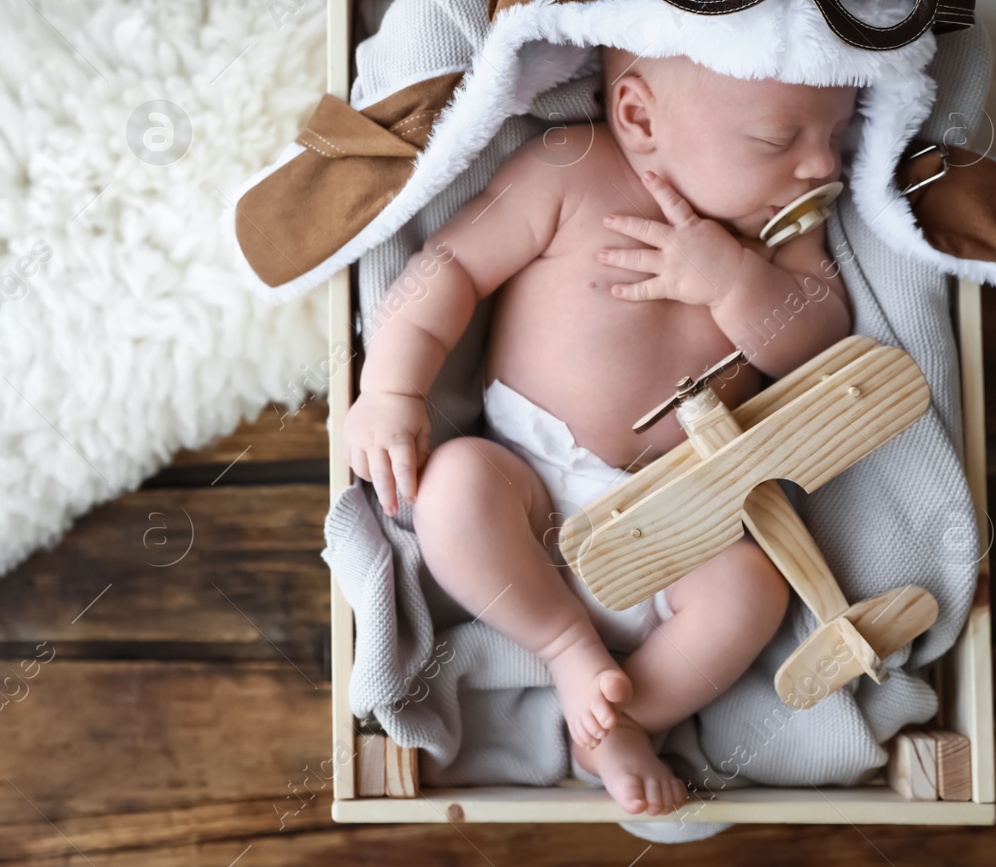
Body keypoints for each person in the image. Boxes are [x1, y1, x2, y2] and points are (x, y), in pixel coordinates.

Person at [342, 47, 855, 815]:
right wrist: (390, 385)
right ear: (639, 117)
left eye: (839, 134)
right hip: (529, 485)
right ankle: (565, 649)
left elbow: (818, 344)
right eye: (779, 140)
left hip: (677, 527)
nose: (821, 165)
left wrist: (735, 281)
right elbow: (447, 265)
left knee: (751, 586)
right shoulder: (569, 168)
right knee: (453, 487)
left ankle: (623, 720)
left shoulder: (779, 236)